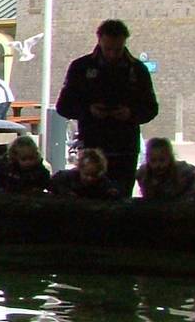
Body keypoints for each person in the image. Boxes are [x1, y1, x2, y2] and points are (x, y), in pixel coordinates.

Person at [54, 19, 157, 198]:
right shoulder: (81, 68)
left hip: (124, 147)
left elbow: (151, 108)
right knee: (88, 194)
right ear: (99, 40)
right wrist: (88, 111)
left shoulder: (137, 70)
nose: (112, 54)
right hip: (92, 143)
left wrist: (130, 113)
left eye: (117, 49)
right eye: (108, 49)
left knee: (121, 195)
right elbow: (63, 106)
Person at [135, 136, 195, 202]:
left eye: (162, 160)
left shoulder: (182, 170)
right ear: (147, 160)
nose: (158, 165)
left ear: (170, 158)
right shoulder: (142, 173)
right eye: (153, 160)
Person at [50, 147, 121, 200]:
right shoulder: (64, 178)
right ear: (80, 169)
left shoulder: (104, 184)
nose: (90, 178)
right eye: (86, 174)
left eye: (94, 175)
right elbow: (51, 184)